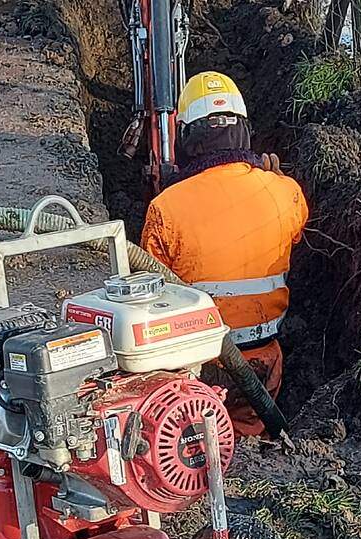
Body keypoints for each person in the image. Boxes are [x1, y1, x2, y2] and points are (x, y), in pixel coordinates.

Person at [141, 71, 309, 436]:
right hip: (265, 362)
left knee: (200, 447)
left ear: (187, 137)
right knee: (253, 444)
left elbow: (148, 287)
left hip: (198, 369)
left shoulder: (165, 209)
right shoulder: (287, 192)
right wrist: (272, 180)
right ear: (244, 130)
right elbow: (290, 235)